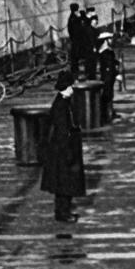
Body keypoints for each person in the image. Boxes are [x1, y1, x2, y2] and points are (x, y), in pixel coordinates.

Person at [40, 70, 85, 223]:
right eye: (72, 85)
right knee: (65, 184)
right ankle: (63, 213)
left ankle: (64, 211)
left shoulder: (63, 102)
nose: (73, 88)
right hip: (64, 151)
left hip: (64, 149)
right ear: (67, 86)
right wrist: (68, 152)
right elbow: (62, 130)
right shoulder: (61, 105)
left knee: (65, 184)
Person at [97, 32, 119, 122]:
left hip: (109, 76)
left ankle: (109, 113)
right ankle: (105, 116)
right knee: (107, 96)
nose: (112, 40)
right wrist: (116, 74)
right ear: (106, 41)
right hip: (107, 76)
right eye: (110, 39)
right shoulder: (106, 52)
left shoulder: (108, 51)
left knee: (109, 95)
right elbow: (109, 66)